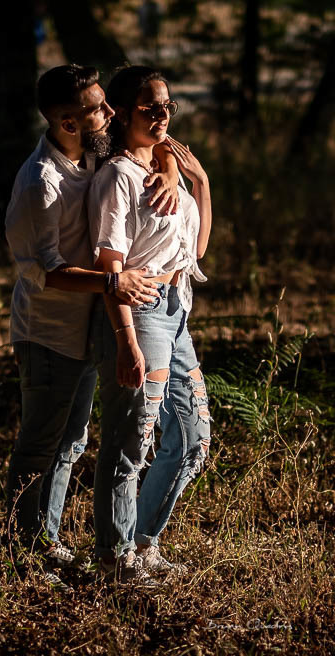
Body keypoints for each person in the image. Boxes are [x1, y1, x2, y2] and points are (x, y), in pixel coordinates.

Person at [4, 64, 181, 583]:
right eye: (98, 109)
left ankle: (48, 541)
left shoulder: (94, 149)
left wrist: (171, 171)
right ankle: (23, 554)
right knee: (41, 443)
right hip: (47, 332)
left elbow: (158, 143)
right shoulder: (40, 182)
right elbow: (43, 271)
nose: (109, 113)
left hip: (88, 327)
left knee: (72, 442)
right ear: (66, 122)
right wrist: (112, 282)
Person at [89, 66, 212, 582]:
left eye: (167, 106)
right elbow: (110, 269)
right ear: (121, 113)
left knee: (193, 437)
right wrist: (125, 340)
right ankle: (115, 557)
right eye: (149, 107)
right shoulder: (117, 177)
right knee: (130, 442)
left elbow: (196, 250)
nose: (162, 115)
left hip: (176, 309)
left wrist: (198, 180)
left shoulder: (167, 161)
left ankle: (144, 542)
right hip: (140, 314)